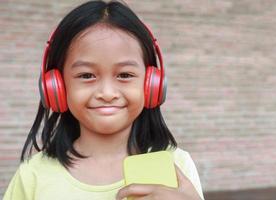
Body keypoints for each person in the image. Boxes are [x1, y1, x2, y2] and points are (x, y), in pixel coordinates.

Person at [3, 1, 205, 200]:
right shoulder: (33, 176)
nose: (107, 93)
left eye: (125, 75)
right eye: (86, 75)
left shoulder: (177, 166)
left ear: (153, 84)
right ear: (56, 87)